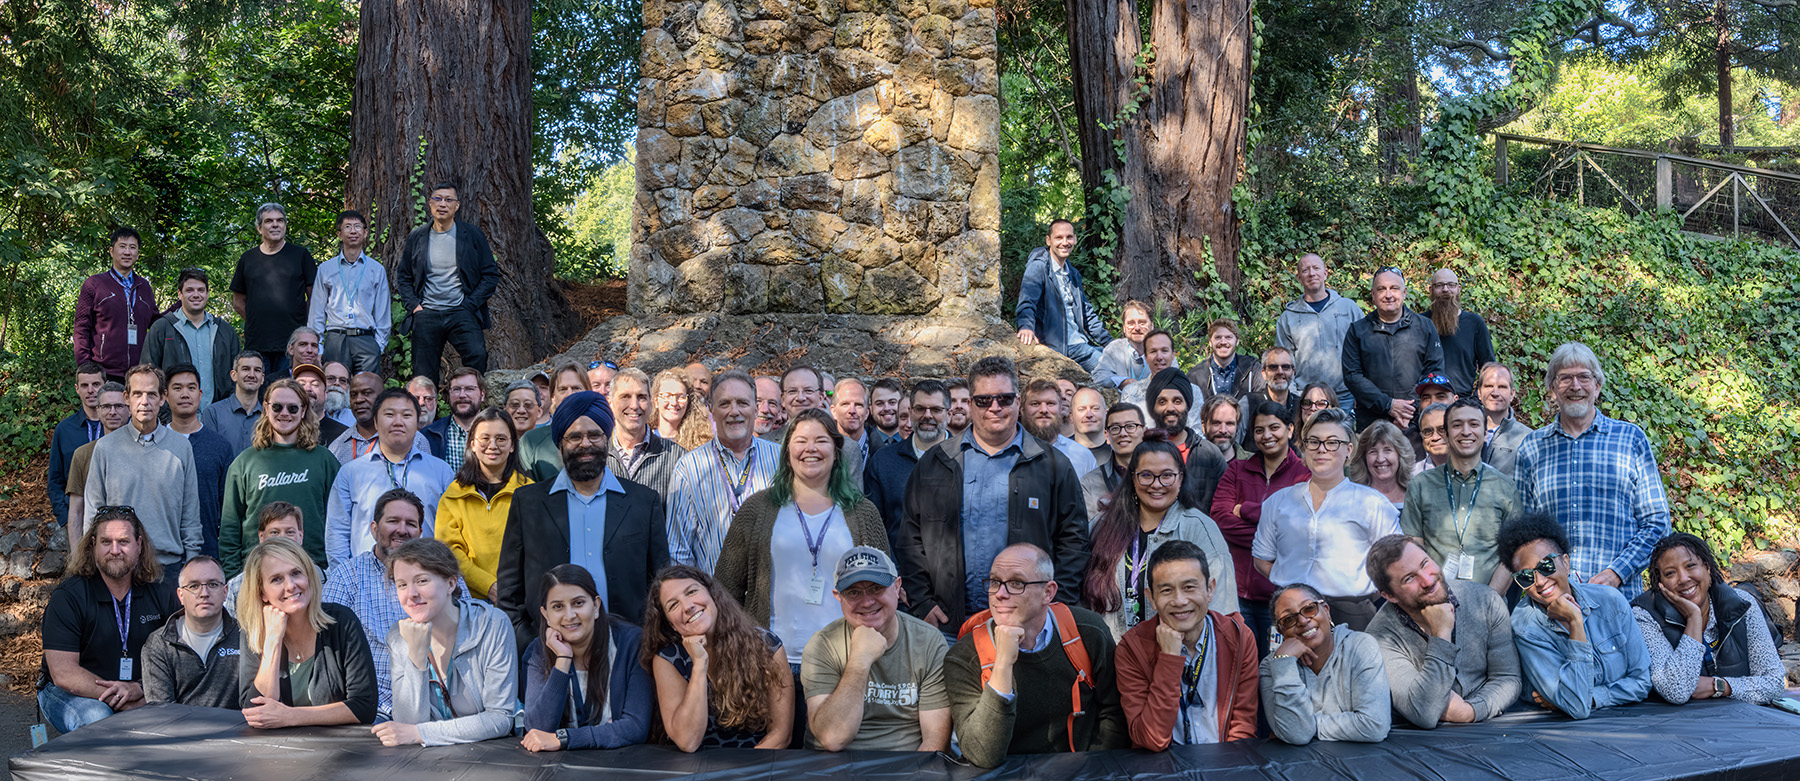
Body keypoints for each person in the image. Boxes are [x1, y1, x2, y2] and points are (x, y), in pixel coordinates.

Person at [895, 356, 1092, 638]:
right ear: (969, 403)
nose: (995, 408)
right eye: (984, 400)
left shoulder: (1052, 465)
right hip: (948, 625)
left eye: (1004, 398)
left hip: (1026, 625)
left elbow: (1073, 541)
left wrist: (1054, 605)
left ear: (1018, 402)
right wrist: (922, 601)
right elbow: (910, 539)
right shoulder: (937, 463)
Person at [716, 409, 891, 672]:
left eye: (821, 440)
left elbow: (884, 591)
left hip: (842, 663)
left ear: (836, 449)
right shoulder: (757, 509)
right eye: (800, 441)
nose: (811, 449)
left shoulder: (863, 512)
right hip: (770, 661)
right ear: (787, 451)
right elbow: (726, 589)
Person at [496, 390, 667, 649]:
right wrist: (530, 641)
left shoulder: (644, 502)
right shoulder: (528, 502)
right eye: (574, 436)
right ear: (560, 443)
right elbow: (510, 590)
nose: (585, 444)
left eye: (594, 435)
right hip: (549, 652)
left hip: (627, 650)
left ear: (607, 438)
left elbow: (660, 583)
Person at [944, 543, 1125, 767]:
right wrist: (1002, 665)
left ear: (1048, 592)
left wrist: (1089, 767)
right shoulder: (964, 656)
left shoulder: (1087, 631)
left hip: (1081, 769)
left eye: (1016, 583)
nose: (1000, 594)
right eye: (994, 582)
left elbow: (1114, 712)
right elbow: (982, 755)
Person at [1516, 342, 1670, 598]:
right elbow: (1524, 532)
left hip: (1620, 601)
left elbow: (1657, 523)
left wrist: (1616, 573)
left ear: (1597, 387)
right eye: (1565, 378)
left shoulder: (1630, 440)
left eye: (1584, 377)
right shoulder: (1532, 449)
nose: (1575, 386)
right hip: (1554, 603)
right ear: (1552, 389)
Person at [1252, 409, 1400, 631]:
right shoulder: (1278, 502)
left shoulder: (1373, 503)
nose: (1321, 449)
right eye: (1314, 442)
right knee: (1287, 665)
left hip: (1353, 612)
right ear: (1304, 448)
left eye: (1332, 442)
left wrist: (1364, 594)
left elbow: (1394, 562)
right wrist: (1289, 581)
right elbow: (1262, 559)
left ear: (1348, 450)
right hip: (1291, 612)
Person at [1497, 512, 1651, 719]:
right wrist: (1575, 623)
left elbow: (1642, 680)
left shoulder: (1611, 601)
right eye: (1526, 576)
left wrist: (1593, 697)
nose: (1540, 582)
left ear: (1566, 563)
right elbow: (1577, 707)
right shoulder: (1525, 628)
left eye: (1546, 566)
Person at [1082, 437, 1238, 640]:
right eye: (1146, 475)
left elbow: (1222, 609)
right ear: (1133, 478)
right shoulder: (1104, 524)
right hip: (1114, 653)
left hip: (1174, 655)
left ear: (1181, 478)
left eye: (1167, 475)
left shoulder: (1199, 528)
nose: (1156, 485)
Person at [38, 507, 178, 733]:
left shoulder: (161, 595)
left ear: (139, 545)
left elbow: (177, 661)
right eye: (106, 542)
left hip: (138, 690)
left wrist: (140, 689)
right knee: (98, 717)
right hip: (69, 692)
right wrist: (121, 697)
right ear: (93, 545)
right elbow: (64, 673)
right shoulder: (69, 597)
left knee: (168, 710)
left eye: (123, 541)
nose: (115, 550)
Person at [799, 547, 949, 751]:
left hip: (906, 767)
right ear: (838, 597)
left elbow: (935, 741)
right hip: (833, 767)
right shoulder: (822, 645)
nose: (867, 601)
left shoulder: (929, 642)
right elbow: (833, 738)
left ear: (897, 587)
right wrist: (859, 661)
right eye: (853, 592)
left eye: (876, 588)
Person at [1364, 534, 1521, 728]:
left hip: (1489, 729)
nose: (1428, 581)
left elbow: (1508, 678)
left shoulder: (1485, 600)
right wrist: (1441, 635)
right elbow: (1424, 712)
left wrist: (1470, 711)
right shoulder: (1379, 637)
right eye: (1409, 578)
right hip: (1417, 747)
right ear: (1389, 595)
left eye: (1424, 564)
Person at [321, 489, 454, 715]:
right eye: (393, 521)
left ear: (420, 532)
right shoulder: (347, 576)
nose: (402, 530)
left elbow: (466, 625)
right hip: (373, 707)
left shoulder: (442, 574)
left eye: (410, 524)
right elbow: (324, 641)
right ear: (374, 529)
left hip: (438, 704)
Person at [1114, 540, 1256, 748]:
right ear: (1151, 598)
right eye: (1166, 591)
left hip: (1225, 763)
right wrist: (1169, 659)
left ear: (1210, 589)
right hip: (1163, 767)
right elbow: (1151, 739)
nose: (1180, 600)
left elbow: (1243, 728)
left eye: (1189, 587)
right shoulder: (1131, 649)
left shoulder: (1238, 637)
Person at [376, 539, 517, 746]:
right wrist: (416, 657)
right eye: (402, 585)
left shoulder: (492, 624)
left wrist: (421, 733)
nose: (411, 594)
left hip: (490, 756)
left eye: (422, 581)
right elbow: (406, 724)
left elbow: (500, 718)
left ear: (451, 583)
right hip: (428, 763)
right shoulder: (398, 636)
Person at [642, 565, 793, 750]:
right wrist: (699, 664)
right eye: (673, 605)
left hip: (755, 766)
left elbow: (781, 735)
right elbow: (688, 741)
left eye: (691, 592)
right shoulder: (668, 660)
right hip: (692, 771)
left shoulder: (766, 645)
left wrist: (741, 776)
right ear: (671, 625)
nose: (688, 606)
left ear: (712, 594)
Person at [238, 537, 378, 727]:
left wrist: (290, 717)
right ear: (262, 592)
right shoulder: (254, 632)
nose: (290, 585)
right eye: (277, 579)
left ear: (309, 576)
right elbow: (255, 713)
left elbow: (364, 707)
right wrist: (272, 640)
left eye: (296, 573)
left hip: (341, 749)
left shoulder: (341, 621)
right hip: (277, 751)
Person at [1631, 533, 1784, 705]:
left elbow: (1774, 682)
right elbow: (1676, 690)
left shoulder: (1743, 604)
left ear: (1708, 567)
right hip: (1676, 726)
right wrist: (1693, 618)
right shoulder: (1644, 616)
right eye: (1670, 573)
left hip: (1740, 724)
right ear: (1660, 584)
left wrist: (1720, 686)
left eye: (1690, 566)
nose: (1683, 578)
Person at [84, 365, 202, 583]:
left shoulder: (181, 448)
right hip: (120, 566)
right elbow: (93, 511)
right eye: (137, 394)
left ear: (163, 398)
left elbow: (190, 512)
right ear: (126, 397)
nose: (144, 401)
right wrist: (93, 563)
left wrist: (192, 563)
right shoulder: (106, 448)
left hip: (168, 567)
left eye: (151, 394)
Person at [519, 564, 654, 752]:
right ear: (546, 615)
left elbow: (635, 727)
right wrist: (563, 659)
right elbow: (538, 729)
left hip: (623, 764)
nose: (570, 615)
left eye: (578, 603)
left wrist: (565, 739)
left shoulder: (631, 643)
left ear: (596, 606)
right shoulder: (537, 652)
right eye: (558, 606)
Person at [1211, 401, 1310, 655]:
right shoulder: (1236, 470)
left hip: (1279, 596)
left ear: (1290, 429)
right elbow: (1220, 520)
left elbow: (1296, 532)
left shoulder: (1304, 477)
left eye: (1274, 427)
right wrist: (1272, 531)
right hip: (1235, 595)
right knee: (1239, 667)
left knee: (1277, 667)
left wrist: (1245, 509)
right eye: (1259, 430)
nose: (1266, 436)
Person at [220, 379, 341, 577]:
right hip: (256, 571)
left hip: (311, 570)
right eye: (277, 407)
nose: (284, 413)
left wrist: (330, 570)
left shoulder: (324, 460)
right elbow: (230, 526)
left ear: (303, 411)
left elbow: (338, 522)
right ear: (266, 408)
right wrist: (233, 575)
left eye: (293, 408)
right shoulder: (245, 462)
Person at [325, 388, 455, 567]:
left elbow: (452, 532)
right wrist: (346, 579)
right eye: (389, 414)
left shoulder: (441, 472)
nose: (398, 422)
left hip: (426, 574)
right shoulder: (351, 472)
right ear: (376, 423)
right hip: (366, 581)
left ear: (417, 423)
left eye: (406, 415)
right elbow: (337, 532)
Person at [666, 371, 781, 572]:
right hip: (716, 597)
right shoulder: (688, 468)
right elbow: (678, 550)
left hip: (772, 594)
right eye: (724, 404)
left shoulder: (782, 460)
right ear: (712, 410)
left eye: (742, 403)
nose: (734, 411)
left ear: (755, 409)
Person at [1402, 398, 1521, 593]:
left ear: (1484, 433)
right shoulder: (1420, 486)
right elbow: (1415, 549)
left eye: (1474, 424)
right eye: (1457, 425)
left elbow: (1512, 554)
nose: (1466, 431)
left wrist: (1488, 601)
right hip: (1436, 601)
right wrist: (1435, 599)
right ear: (1447, 435)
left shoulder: (1506, 488)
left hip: (1489, 607)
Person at [1259, 583, 1391, 744]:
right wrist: (1284, 664)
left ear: (1327, 611)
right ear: (1281, 631)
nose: (1302, 620)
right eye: (1288, 619)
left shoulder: (1361, 646)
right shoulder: (1272, 666)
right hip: (1301, 766)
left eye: (1309, 609)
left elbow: (1375, 725)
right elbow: (1297, 735)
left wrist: (1309, 725)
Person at [396, 181, 500, 384]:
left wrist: (470, 304)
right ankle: (428, 413)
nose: (442, 204)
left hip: (461, 310)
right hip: (427, 313)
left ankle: (469, 405)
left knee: (477, 355)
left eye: (448, 200)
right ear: (430, 203)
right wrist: (415, 307)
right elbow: (404, 276)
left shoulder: (472, 235)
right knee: (423, 374)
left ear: (457, 206)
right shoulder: (417, 237)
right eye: (438, 199)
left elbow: (490, 275)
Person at [436, 408, 530, 604]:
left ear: (512, 445)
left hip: (520, 599)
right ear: (472, 444)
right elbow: (450, 551)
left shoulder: (530, 492)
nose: (492, 445)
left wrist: (513, 588)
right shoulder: (454, 495)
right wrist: (488, 586)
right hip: (468, 601)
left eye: (501, 439)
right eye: (485, 438)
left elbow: (536, 549)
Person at [1342, 267, 1444, 431]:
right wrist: (1388, 405)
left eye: (1394, 288)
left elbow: (1434, 370)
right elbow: (1352, 376)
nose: (1388, 295)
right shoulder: (1358, 330)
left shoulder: (1425, 327)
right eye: (1381, 289)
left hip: (1415, 420)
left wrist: (1407, 409)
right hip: (1371, 423)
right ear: (1373, 295)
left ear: (1404, 293)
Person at [141, 556, 240, 708]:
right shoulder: (159, 644)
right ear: (180, 595)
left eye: (213, 584)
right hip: (180, 731)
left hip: (236, 730)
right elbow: (161, 713)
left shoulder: (246, 637)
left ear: (225, 592)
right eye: (194, 586)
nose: (204, 593)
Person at [1014, 220, 1112, 372]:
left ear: (1075, 239)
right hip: (1063, 347)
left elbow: (1087, 315)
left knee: (1121, 361)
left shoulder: (1073, 273)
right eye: (1059, 237)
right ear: (1049, 240)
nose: (1065, 242)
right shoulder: (1039, 267)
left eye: (1069, 237)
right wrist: (1026, 326)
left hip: (1082, 344)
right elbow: (1027, 302)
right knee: (1112, 370)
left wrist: (1111, 344)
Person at [231, 203, 316, 376]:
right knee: (260, 392)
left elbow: (314, 298)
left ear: (285, 225)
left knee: (287, 392)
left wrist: (299, 324)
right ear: (259, 228)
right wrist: (258, 321)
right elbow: (238, 301)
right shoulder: (248, 259)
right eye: (269, 221)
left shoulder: (301, 255)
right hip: (257, 342)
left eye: (280, 220)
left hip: (292, 344)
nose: (275, 225)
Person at [1276, 253, 1365, 415]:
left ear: (1325, 273)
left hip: (1346, 396)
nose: (1312, 273)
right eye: (1306, 270)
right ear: (1299, 277)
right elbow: (1284, 362)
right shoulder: (1288, 317)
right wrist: (1294, 395)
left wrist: (1362, 391)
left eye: (1316, 268)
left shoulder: (1349, 309)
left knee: (1343, 439)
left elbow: (1365, 351)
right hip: (1307, 399)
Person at [162, 364, 235, 559]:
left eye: (191, 388)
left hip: (208, 551)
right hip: (160, 554)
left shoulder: (220, 446)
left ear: (200, 394)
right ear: (165, 395)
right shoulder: (155, 444)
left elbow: (228, 508)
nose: (185, 394)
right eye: (177, 388)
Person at [306, 210, 389, 374]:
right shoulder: (326, 269)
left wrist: (378, 346)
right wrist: (319, 346)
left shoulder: (376, 270)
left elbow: (383, 312)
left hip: (366, 338)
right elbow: (316, 312)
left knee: (368, 391)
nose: (353, 231)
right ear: (339, 234)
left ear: (365, 233)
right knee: (334, 389)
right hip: (335, 339)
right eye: (348, 227)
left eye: (358, 227)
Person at [142, 268, 241, 404]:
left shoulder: (224, 331)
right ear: (180, 294)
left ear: (207, 294)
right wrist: (164, 413)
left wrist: (228, 410)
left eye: (201, 290)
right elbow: (148, 375)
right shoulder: (162, 328)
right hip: (173, 417)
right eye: (189, 290)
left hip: (217, 416)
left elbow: (238, 375)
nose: (196, 295)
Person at [73, 228, 160, 379]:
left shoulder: (144, 287)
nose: (127, 252)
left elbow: (156, 323)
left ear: (138, 254)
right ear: (112, 251)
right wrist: (85, 368)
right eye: (122, 246)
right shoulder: (94, 284)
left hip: (138, 374)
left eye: (132, 248)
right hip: (103, 374)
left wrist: (182, 304)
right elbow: (81, 328)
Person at [863, 379, 947, 535]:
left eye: (936, 409)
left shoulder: (966, 457)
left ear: (947, 412)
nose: (927, 416)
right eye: (920, 409)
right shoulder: (883, 462)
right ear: (911, 412)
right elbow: (873, 525)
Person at [1139, 368, 1227, 512]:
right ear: (1153, 408)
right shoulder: (1142, 453)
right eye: (1162, 402)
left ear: (1187, 405)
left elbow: (1225, 505)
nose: (1170, 408)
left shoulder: (1209, 453)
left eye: (1177, 401)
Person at [605, 368, 686, 503]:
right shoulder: (597, 454)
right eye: (625, 396)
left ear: (651, 403)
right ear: (610, 403)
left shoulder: (677, 458)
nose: (634, 405)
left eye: (641, 397)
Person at [63, 383, 130, 539]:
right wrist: (77, 558)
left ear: (129, 409)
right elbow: (76, 511)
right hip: (97, 542)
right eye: (106, 406)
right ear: (98, 410)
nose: (112, 412)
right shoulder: (83, 454)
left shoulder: (143, 451)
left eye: (119, 406)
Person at [48, 363, 110, 528]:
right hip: (77, 517)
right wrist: (66, 518)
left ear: (106, 386)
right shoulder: (64, 430)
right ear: (77, 389)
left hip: (113, 519)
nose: (90, 390)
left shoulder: (119, 427)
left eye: (96, 384)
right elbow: (55, 479)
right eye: (84, 385)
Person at [225, 503, 304, 619]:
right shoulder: (238, 586)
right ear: (261, 537)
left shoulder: (320, 578)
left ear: (300, 536)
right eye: (274, 532)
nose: (282, 538)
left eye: (290, 532)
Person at [329, 372, 426, 464]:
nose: (358, 400)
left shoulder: (415, 440)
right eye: (353, 395)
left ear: (383, 397)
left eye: (366, 393)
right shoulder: (337, 447)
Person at [1426, 269, 1495, 397]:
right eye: (1439, 285)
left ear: (1459, 289)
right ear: (1431, 290)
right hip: (1426, 400)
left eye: (1451, 285)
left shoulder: (1475, 323)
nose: (1445, 289)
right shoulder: (1421, 323)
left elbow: (1489, 368)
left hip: (1462, 402)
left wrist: (1475, 400)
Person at [1119, 330, 1202, 431]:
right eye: (1153, 351)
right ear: (1145, 357)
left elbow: (1196, 433)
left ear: (1173, 354)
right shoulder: (1130, 393)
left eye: (1164, 351)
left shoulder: (1193, 391)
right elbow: (1128, 433)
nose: (1159, 357)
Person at [1079, 403, 1145, 521]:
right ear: (1106, 435)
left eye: (1130, 426)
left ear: (1144, 432)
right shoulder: (1089, 482)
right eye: (1115, 428)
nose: (1123, 433)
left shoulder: (1160, 474)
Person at [518, 365, 585, 480]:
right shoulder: (515, 433)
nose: (538, 392)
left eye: (543, 387)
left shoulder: (600, 433)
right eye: (532, 387)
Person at [1022, 378, 1098, 477]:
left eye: (1050, 403)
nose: (1044, 410)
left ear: (1060, 409)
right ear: (1022, 410)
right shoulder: (1009, 452)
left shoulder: (1082, 456)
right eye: (1035, 404)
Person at [202, 351, 266, 455]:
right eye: (246, 369)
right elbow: (210, 457)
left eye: (257, 370)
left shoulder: (269, 416)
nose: (252, 375)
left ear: (262, 378)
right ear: (234, 375)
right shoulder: (213, 413)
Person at [422, 367, 485, 472]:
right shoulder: (429, 435)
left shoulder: (497, 433)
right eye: (456, 389)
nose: (462, 395)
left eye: (469, 389)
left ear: (482, 395)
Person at [1188, 318, 1264, 402]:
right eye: (1218, 337)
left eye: (1228, 337)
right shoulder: (1195, 376)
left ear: (1237, 341)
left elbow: (1262, 403)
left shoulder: (1253, 370)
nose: (1223, 342)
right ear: (1210, 342)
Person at [1477, 362, 1529, 476]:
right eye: (1489, 386)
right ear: (1479, 393)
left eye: (1502, 387)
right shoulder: (1464, 432)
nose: (1495, 393)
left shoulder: (1527, 439)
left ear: (1512, 394)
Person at [1348, 419, 1412, 511]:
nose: (1380, 459)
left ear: (1400, 454)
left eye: (1387, 450)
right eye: (1373, 451)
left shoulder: (1415, 495)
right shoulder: (1353, 499)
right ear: (1363, 458)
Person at [1096, 299, 1154, 390]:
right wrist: (1123, 382)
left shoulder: (1163, 350)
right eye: (1131, 323)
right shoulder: (1114, 348)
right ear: (1124, 328)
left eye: (1142, 323)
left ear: (1152, 326)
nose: (1137, 328)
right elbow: (1099, 376)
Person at [652, 367, 712, 452]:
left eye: (680, 397)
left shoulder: (701, 444)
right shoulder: (643, 440)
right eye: (667, 396)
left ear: (688, 402)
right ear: (656, 401)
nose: (674, 403)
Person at [830, 378, 875, 485]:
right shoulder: (821, 449)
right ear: (834, 411)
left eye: (858, 405)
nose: (852, 411)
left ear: (867, 412)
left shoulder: (881, 454)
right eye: (845, 404)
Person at [1199, 393, 1249, 461]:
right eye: (1216, 423)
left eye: (1229, 424)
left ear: (1237, 426)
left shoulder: (1255, 464)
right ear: (1203, 426)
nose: (1223, 430)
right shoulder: (1189, 463)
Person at [1069, 387, 1109, 463]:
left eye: (1095, 408)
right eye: (1081, 409)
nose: (1089, 414)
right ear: (1071, 416)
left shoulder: (1118, 455)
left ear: (1105, 414)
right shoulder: (1060, 455)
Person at [1411, 401, 1451, 475]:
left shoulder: (1474, 470)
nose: (1435, 437)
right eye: (1427, 432)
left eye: (1442, 429)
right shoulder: (1411, 476)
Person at [867, 378, 906, 449]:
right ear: (871, 409)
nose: (886, 408)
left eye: (892, 402)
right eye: (879, 403)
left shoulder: (917, 443)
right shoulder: (863, 445)